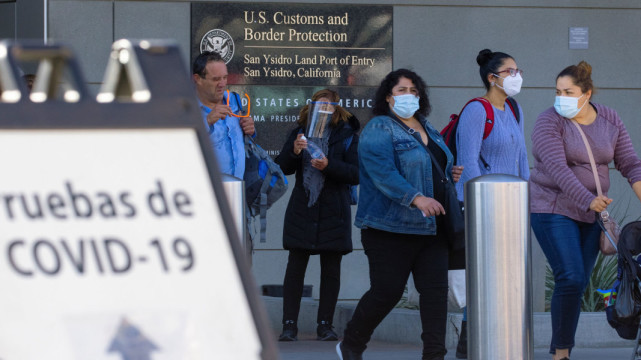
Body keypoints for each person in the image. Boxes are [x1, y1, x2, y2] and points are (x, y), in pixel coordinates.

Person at [337, 69, 463, 360]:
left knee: (434, 296)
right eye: (402, 90)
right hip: (389, 227)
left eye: (414, 90)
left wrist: (448, 174)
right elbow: (382, 173)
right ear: (388, 96)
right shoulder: (379, 128)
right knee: (387, 292)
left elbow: (428, 167)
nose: (410, 95)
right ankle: (352, 342)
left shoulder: (426, 127)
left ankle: (435, 355)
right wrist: (416, 198)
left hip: (433, 228)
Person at [530, 61, 641, 360]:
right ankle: (561, 353)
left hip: (591, 214)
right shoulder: (548, 121)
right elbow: (556, 168)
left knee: (577, 283)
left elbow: (629, 162)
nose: (561, 97)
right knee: (571, 276)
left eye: (568, 91)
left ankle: (563, 348)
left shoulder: (609, 118)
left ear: (587, 93)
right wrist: (587, 198)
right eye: (557, 91)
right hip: (552, 207)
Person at [453, 49, 530, 359]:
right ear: (492, 77)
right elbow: (468, 161)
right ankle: (469, 341)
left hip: (512, 207)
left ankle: (498, 339)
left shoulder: (514, 108)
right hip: (484, 209)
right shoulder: (476, 110)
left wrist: (525, 198)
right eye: (510, 71)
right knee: (483, 277)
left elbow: (522, 157)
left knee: (506, 277)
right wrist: (481, 207)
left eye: (517, 69)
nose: (517, 76)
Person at [275, 89, 360, 342]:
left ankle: (325, 325)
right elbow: (282, 167)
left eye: (328, 105)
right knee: (295, 268)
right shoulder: (299, 132)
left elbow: (356, 174)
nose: (323, 109)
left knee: (331, 270)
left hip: (334, 208)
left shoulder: (346, 135)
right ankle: (289, 325)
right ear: (311, 108)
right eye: (318, 105)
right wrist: (295, 151)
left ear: (336, 108)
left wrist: (328, 166)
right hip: (303, 206)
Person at [192, 51, 255, 178]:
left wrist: (250, 130)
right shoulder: (187, 108)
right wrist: (207, 121)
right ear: (198, 79)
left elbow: (245, 138)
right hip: (205, 190)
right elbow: (179, 147)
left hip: (237, 188)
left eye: (224, 77)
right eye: (216, 79)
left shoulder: (234, 100)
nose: (222, 84)